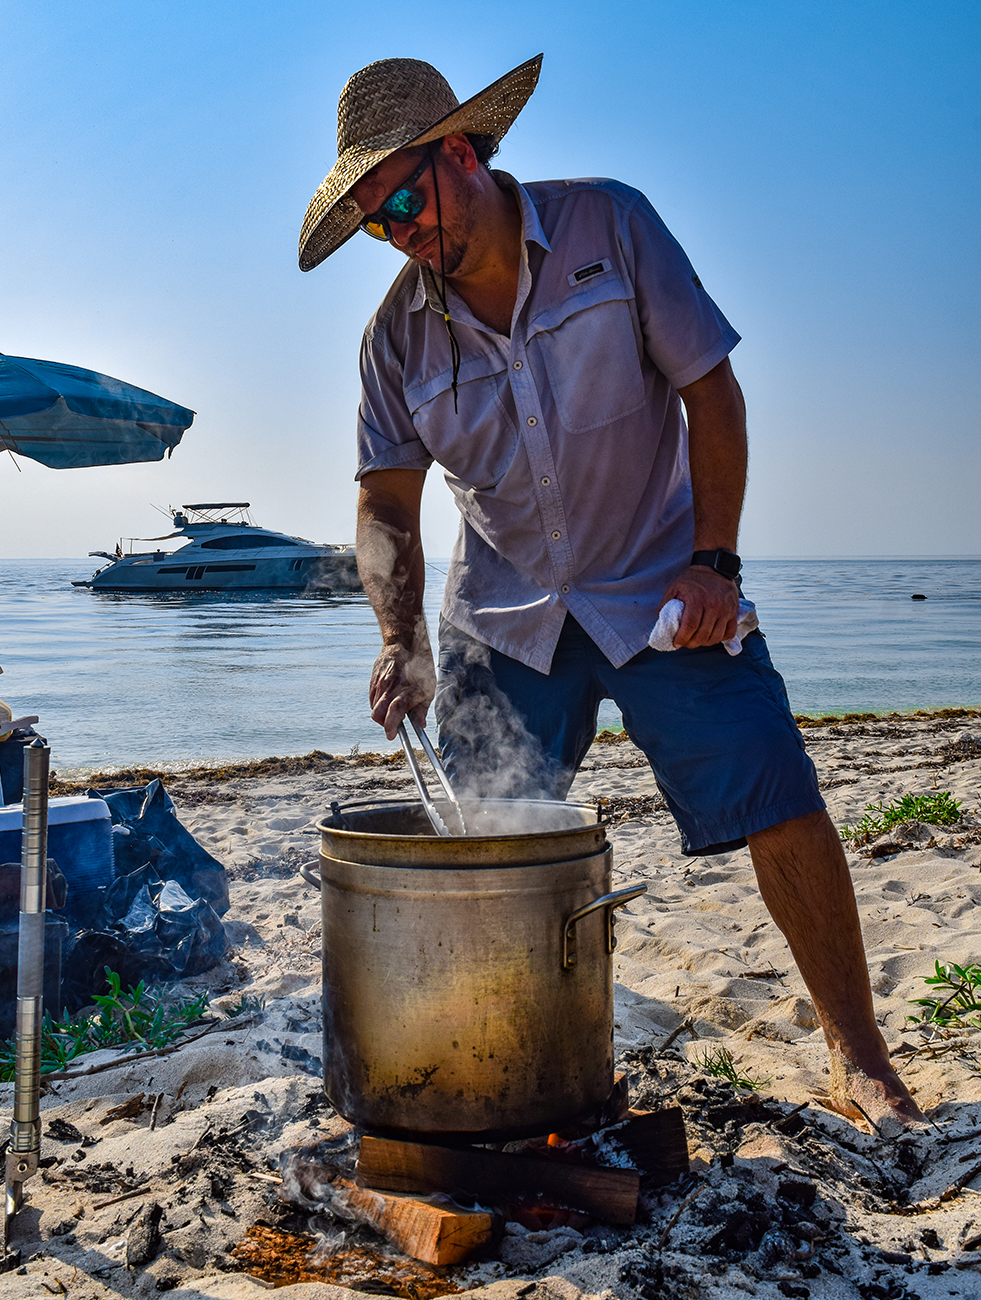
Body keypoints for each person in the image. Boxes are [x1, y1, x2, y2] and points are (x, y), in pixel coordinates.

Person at [298, 55, 922, 1131]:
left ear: (462, 152)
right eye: (372, 223)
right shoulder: (393, 338)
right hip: (502, 618)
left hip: (661, 583)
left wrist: (714, 562)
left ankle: (856, 1049)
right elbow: (386, 509)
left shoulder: (611, 228)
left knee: (776, 795)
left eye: (403, 198)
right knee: (487, 852)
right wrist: (401, 639)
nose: (399, 233)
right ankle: (504, 1054)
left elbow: (711, 392)